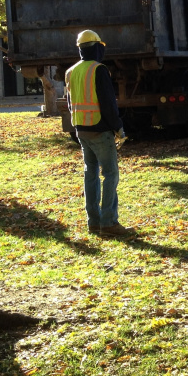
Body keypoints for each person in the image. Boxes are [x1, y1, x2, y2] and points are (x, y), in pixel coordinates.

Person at [65, 30, 133, 238]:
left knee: (91, 174)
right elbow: (108, 104)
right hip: (100, 130)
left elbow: (69, 104)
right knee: (110, 174)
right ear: (96, 48)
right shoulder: (99, 70)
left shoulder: (71, 71)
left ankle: (93, 222)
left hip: (81, 130)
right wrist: (118, 127)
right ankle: (109, 222)